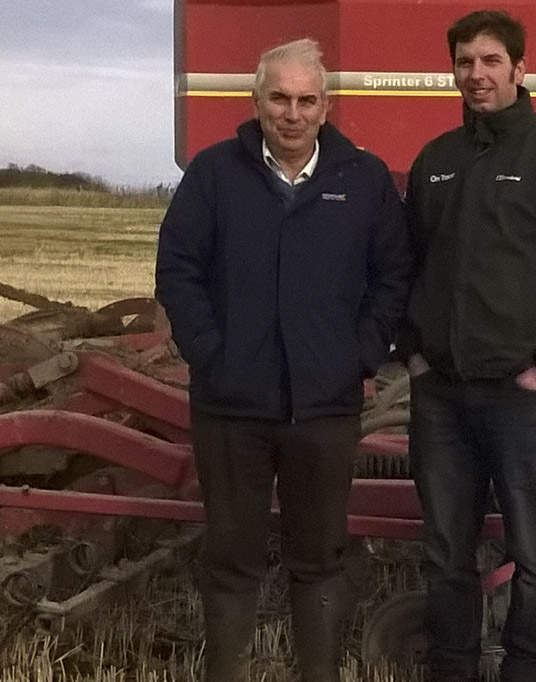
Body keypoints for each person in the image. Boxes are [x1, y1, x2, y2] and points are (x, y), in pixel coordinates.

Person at [155, 38, 411, 682]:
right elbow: (178, 272)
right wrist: (213, 357)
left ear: (326, 107)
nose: (292, 113)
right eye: (279, 98)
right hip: (230, 407)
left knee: (319, 554)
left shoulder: (363, 179)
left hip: (324, 408)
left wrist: (359, 353)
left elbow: (393, 277)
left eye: (306, 100)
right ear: (256, 101)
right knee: (232, 554)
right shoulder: (213, 175)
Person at [399, 11, 536, 682]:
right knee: (445, 554)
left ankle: (527, 671)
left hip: (523, 400)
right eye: (465, 62)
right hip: (443, 398)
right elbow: (407, 265)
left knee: (532, 555)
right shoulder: (436, 162)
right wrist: (414, 351)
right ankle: (452, 671)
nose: (476, 75)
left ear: (520, 70)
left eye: (491, 61)